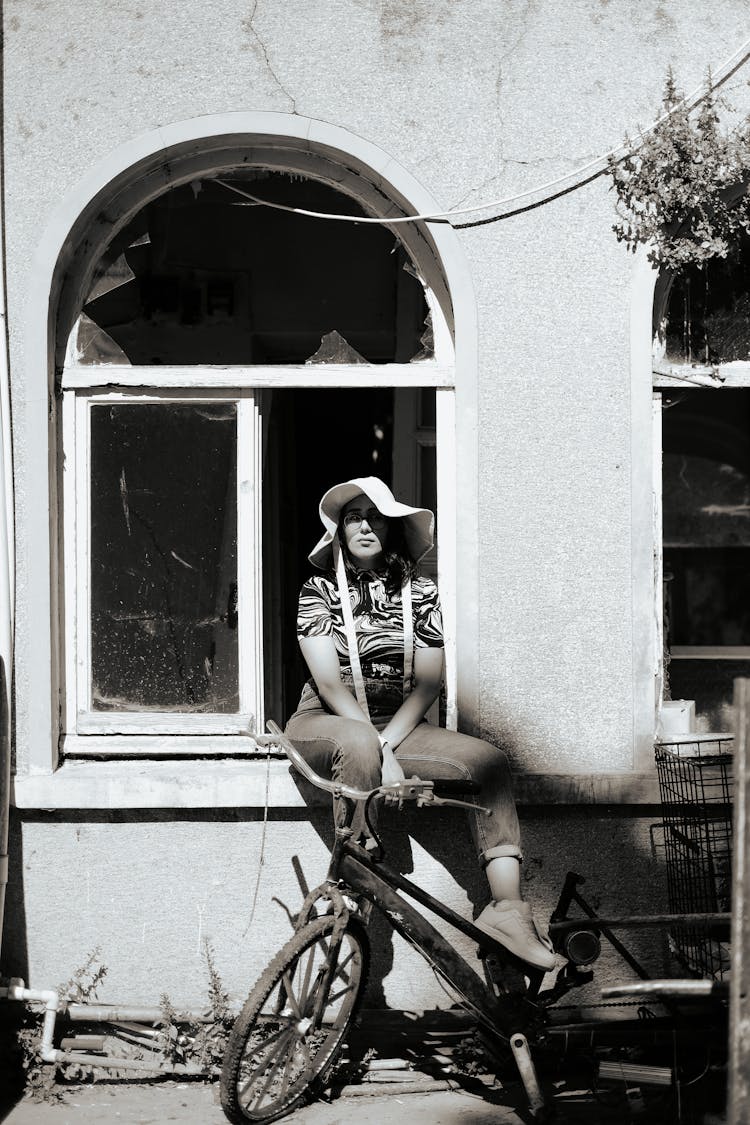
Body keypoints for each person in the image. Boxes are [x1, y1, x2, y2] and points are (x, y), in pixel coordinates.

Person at [284, 476, 555, 972]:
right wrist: (376, 748)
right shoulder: (317, 590)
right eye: (353, 517)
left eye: (376, 516)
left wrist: (386, 744)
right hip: (325, 720)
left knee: (489, 762)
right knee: (360, 745)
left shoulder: (421, 593)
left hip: (397, 727)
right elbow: (329, 682)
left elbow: (428, 685)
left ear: (393, 529)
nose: (365, 525)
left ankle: (507, 910)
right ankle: (357, 889)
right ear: (341, 532)